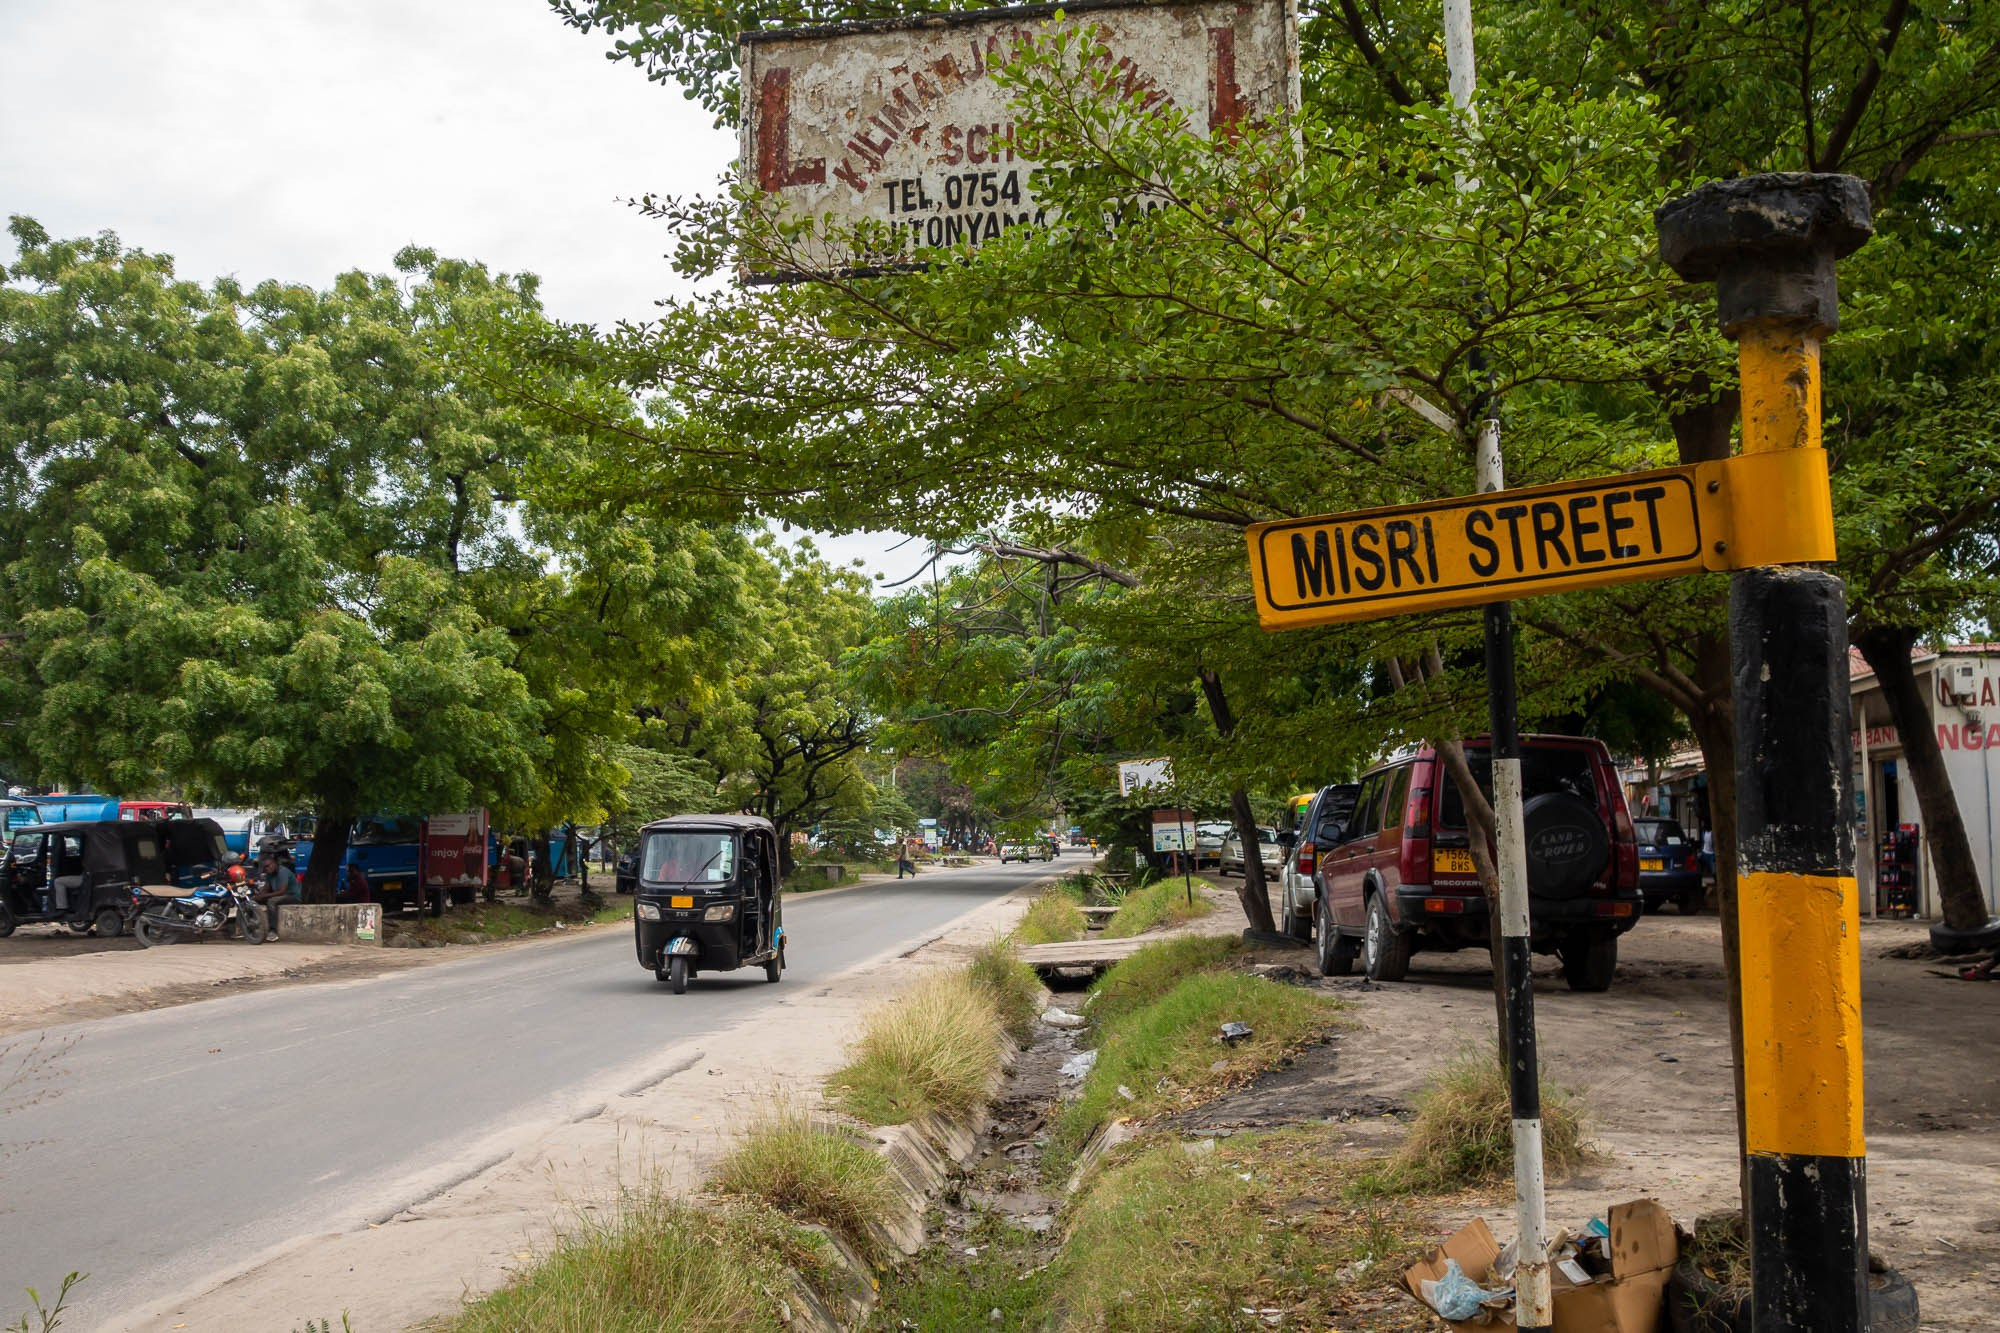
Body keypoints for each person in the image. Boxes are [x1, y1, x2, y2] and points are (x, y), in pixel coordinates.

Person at [251, 850, 301, 940]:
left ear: (274, 863)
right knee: (251, 901)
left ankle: (273, 931)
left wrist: (264, 896)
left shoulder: (283, 872)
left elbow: (282, 891)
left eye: (268, 866)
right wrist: (258, 897)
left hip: (292, 896)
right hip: (280, 895)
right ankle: (250, 928)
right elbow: (266, 889)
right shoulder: (270, 875)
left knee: (271, 901)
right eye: (265, 868)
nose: (267, 869)